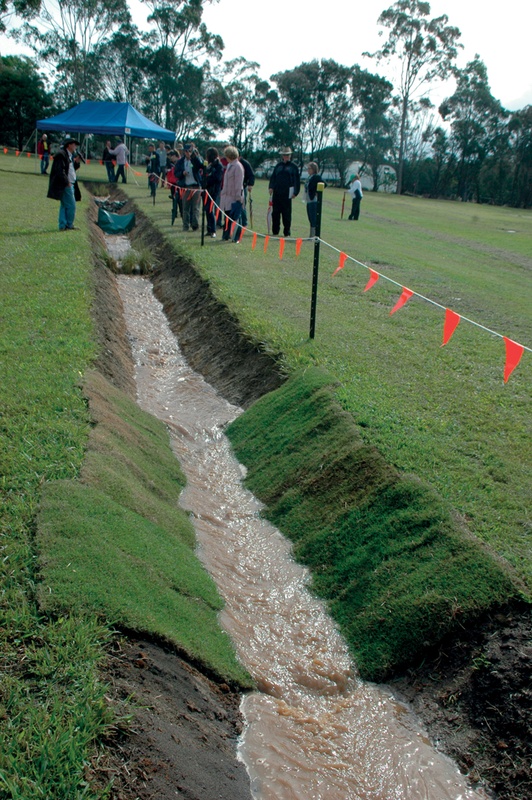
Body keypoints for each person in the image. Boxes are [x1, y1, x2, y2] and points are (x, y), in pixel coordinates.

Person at [46, 137, 81, 231]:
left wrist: (77, 163)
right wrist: (67, 183)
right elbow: (60, 170)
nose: (75, 146)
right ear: (69, 145)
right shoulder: (61, 155)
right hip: (65, 184)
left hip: (70, 183)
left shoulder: (68, 155)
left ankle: (63, 225)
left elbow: (70, 169)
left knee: (64, 205)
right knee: (71, 205)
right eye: (74, 144)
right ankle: (69, 225)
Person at [268, 146, 300, 237]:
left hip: (287, 194)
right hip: (277, 193)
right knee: (275, 213)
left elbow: (296, 180)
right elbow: (273, 178)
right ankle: (275, 231)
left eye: (287, 155)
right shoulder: (278, 166)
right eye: (284, 155)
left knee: (286, 214)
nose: (286, 157)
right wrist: (271, 187)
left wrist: (295, 192)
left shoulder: (293, 167)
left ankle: (287, 231)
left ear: (290, 156)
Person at [174, 143, 203, 231]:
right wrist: (182, 173)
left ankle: (195, 225)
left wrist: (194, 157)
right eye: (186, 151)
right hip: (186, 187)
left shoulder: (196, 160)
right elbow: (176, 173)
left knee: (196, 208)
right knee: (185, 207)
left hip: (196, 187)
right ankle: (185, 226)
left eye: (189, 151)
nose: (188, 153)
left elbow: (201, 166)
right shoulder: (180, 162)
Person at [219, 145, 244, 242]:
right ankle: (226, 235)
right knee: (227, 217)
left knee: (236, 218)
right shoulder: (229, 165)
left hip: (235, 197)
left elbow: (238, 183)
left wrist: (238, 198)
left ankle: (236, 237)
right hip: (227, 196)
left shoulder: (238, 167)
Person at [205, 147, 223, 238]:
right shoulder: (209, 165)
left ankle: (213, 229)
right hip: (207, 190)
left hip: (214, 190)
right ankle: (209, 229)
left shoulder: (218, 166)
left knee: (210, 209)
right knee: (207, 209)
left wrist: (208, 179)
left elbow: (217, 178)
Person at [304, 162, 323, 237]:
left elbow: (324, 184)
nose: (308, 170)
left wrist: (317, 192)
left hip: (313, 200)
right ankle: (311, 234)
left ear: (314, 169)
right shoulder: (309, 177)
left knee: (313, 217)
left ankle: (314, 234)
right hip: (308, 200)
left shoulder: (316, 177)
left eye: (309, 168)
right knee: (310, 217)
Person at [239, 155, 255, 227]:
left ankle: (244, 222)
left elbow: (251, 175)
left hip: (243, 186)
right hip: (236, 186)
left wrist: (250, 184)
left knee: (242, 204)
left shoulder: (245, 163)